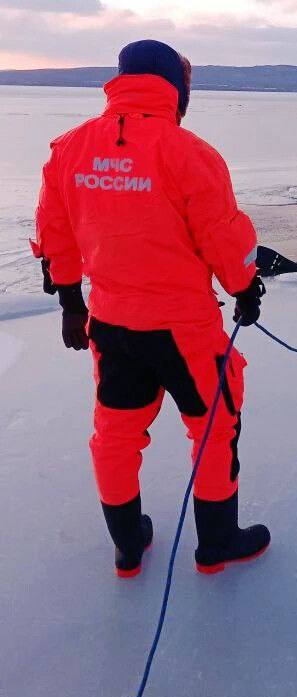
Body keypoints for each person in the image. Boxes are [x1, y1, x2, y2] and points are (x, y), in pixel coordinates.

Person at [31, 39, 269, 577]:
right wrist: (244, 287)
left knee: (115, 435)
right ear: (175, 88)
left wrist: (72, 305)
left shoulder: (70, 149)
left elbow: (54, 234)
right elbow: (223, 236)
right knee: (213, 427)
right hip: (185, 331)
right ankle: (217, 542)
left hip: (112, 325)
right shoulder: (190, 153)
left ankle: (127, 545)